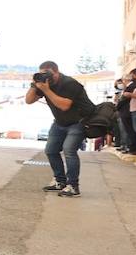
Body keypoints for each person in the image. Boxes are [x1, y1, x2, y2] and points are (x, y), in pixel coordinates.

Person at [28, 60, 94, 198]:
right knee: (51, 150)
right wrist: (35, 85)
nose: (46, 77)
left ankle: (73, 186)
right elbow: (29, 100)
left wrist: (46, 90)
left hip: (78, 122)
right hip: (59, 123)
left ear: (56, 72)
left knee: (69, 150)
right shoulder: (45, 83)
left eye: (49, 74)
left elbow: (64, 105)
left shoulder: (70, 84)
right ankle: (60, 182)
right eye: (42, 74)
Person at [112, 77, 133, 155]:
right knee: (121, 130)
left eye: (121, 82)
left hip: (125, 112)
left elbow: (121, 102)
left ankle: (126, 145)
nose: (121, 84)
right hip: (120, 112)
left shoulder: (127, 90)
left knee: (125, 130)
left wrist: (117, 105)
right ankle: (123, 144)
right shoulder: (118, 92)